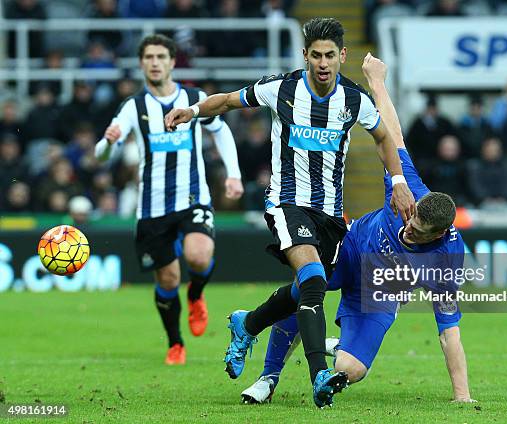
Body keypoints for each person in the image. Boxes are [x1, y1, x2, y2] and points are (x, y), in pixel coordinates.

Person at [165, 17, 415, 406]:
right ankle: (319, 374)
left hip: (331, 215)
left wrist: (398, 182)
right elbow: (229, 100)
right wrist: (194, 111)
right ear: (305, 55)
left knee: (304, 288)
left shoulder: (353, 100)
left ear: (342, 56)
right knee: (314, 279)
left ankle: (246, 323)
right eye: (315, 55)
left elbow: (383, 137)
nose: (323, 63)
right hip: (286, 203)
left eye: (330, 55)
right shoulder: (280, 88)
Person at [240, 53, 474, 406]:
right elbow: (392, 136)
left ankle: (333, 347)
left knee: (352, 369)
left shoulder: (446, 259)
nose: (408, 229)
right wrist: (377, 82)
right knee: (308, 285)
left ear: (439, 235)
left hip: (379, 293)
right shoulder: (411, 193)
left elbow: (449, 331)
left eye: (419, 232)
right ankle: (268, 378)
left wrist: (462, 396)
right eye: (410, 220)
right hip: (350, 249)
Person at [94, 34, 243, 365]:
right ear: (141, 63)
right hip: (152, 206)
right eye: (149, 57)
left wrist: (233, 173)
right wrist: (107, 143)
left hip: (193, 196)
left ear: (173, 62)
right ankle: (175, 343)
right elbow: (102, 155)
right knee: (168, 278)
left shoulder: (194, 98)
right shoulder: (133, 107)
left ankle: (196, 294)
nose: (155, 62)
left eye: (161, 56)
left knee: (200, 256)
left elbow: (219, 129)